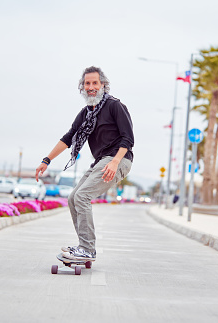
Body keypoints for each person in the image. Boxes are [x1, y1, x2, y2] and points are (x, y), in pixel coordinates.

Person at [35, 66, 134, 261]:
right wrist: (46, 160)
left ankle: (87, 249)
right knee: (73, 198)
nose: (91, 87)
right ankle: (83, 247)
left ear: (103, 85)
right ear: (82, 87)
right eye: (87, 83)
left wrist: (114, 163)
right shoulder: (86, 113)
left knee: (82, 196)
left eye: (95, 83)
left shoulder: (115, 106)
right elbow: (69, 137)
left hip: (118, 159)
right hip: (101, 161)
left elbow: (128, 139)